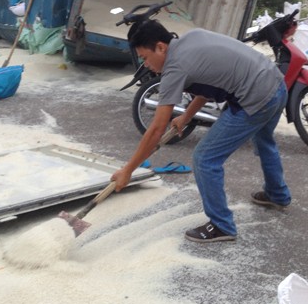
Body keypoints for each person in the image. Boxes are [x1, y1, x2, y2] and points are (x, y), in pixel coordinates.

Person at [110, 20, 291, 243]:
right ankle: (278, 194)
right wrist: (186, 116)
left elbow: (156, 129)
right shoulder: (191, 39)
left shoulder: (175, 68)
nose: (145, 64)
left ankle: (221, 225)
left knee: (205, 158)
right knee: (264, 141)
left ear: (160, 47)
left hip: (256, 97)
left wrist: (128, 170)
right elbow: (208, 83)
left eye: (145, 57)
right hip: (276, 84)